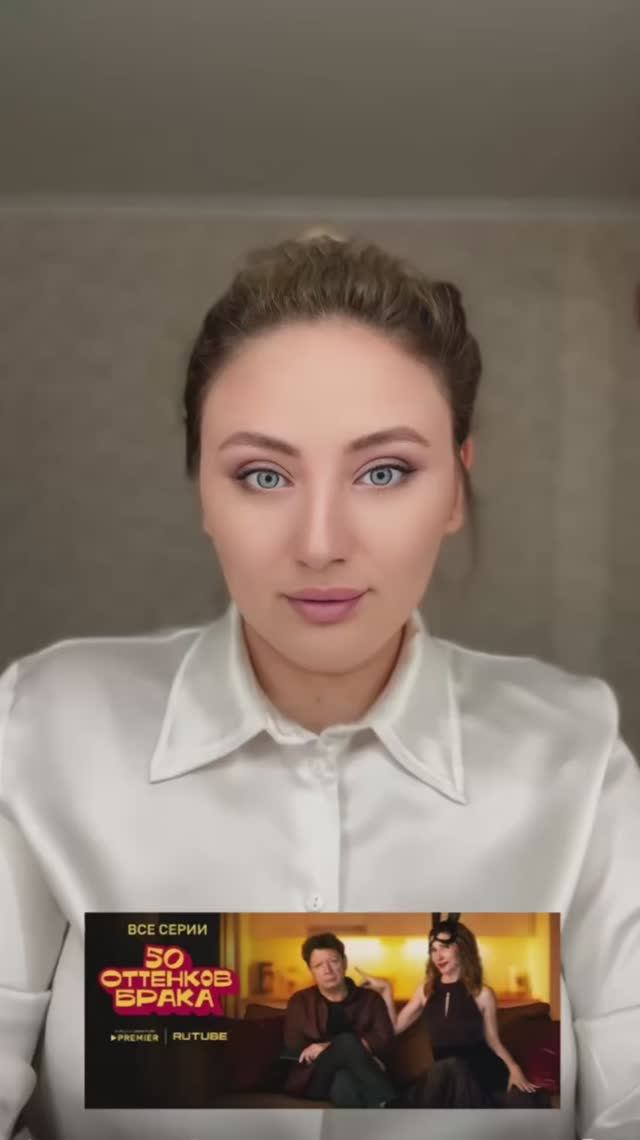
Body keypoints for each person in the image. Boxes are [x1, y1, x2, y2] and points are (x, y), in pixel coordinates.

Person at [0, 232, 639, 1140]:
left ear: (455, 489)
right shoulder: (46, 728)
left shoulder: (576, 756)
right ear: (204, 491)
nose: (320, 542)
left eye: (385, 472)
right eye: (263, 475)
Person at [357, 912, 551, 1108]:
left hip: (482, 1079)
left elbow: (493, 1040)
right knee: (446, 1068)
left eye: (445, 947)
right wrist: (387, 990)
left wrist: (514, 1068)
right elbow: (392, 1029)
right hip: (447, 1080)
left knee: (456, 1068)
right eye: (433, 949)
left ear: (461, 948)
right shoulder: (426, 991)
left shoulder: (482, 993)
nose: (438, 956)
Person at [282, 932, 396, 1107]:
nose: (327, 970)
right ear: (311, 970)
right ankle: (393, 1102)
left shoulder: (370, 999)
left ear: (344, 962)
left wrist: (328, 1047)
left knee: (343, 1081)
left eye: (333, 962)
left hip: (355, 1076)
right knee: (346, 1041)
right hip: (314, 1076)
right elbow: (294, 1048)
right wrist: (342, 1049)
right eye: (318, 965)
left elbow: (384, 1038)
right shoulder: (300, 1001)